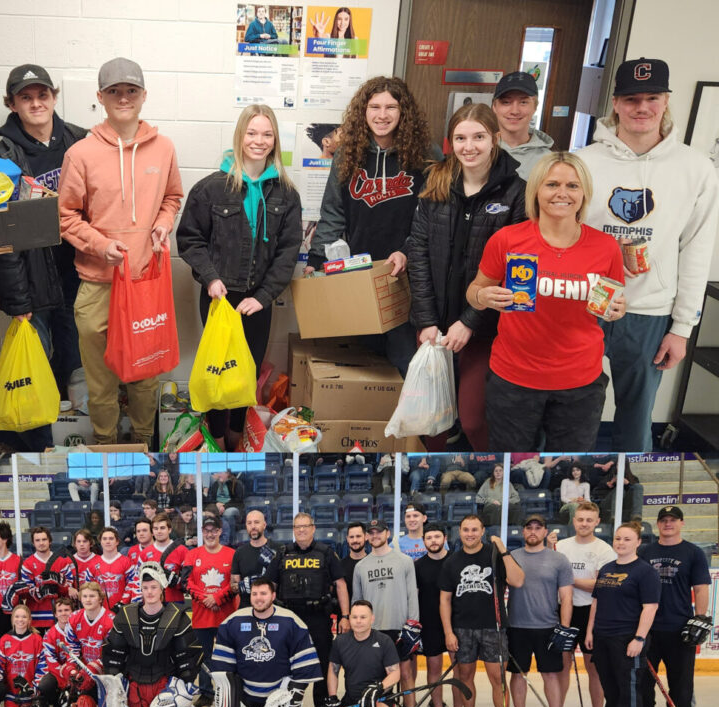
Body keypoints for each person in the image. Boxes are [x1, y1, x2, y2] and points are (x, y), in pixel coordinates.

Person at [579, 58, 719, 451]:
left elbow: (696, 249)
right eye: (631, 98)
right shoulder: (584, 162)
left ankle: (629, 495)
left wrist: (681, 329)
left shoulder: (696, 168)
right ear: (616, 103)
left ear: (666, 101)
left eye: (652, 97)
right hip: (585, 305)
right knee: (572, 410)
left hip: (649, 312)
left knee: (636, 418)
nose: (642, 107)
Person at [58, 57, 183, 445]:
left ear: (143, 96)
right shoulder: (80, 153)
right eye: (114, 91)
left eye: (131, 90)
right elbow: (65, 216)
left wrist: (163, 223)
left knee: (146, 376)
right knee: (101, 381)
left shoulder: (163, 149)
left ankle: (144, 443)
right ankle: (107, 444)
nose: (123, 97)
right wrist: (99, 244)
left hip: (145, 284)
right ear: (100, 97)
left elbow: (173, 197)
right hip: (98, 285)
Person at [467, 152, 627, 450]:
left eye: (573, 186)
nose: (562, 193)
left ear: (584, 193)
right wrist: (482, 296)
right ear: (536, 190)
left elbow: (614, 301)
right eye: (552, 184)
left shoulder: (606, 247)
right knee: (511, 471)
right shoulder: (507, 239)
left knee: (569, 472)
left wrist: (617, 309)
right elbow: (474, 294)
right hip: (514, 379)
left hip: (580, 384)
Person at [177, 104, 301, 448]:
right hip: (219, 297)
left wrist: (262, 297)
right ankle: (215, 437)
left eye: (267, 134)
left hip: (258, 301)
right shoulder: (211, 189)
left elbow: (288, 251)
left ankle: (236, 435)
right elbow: (190, 239)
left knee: (247, 373)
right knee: (220, 371)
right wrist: (210, 278)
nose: (258, 141)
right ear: (239, 136)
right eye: (251, 133)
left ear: (274, 140)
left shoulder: (286, 193)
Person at [406, 102, 527, 450]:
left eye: (478, 136)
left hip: (486, 329)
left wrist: (470, 322)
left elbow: (516, 271)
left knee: (474, 420)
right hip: (435, 325)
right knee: (430, 421)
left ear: (495, 138)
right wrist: (426, 321)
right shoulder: (436, 183)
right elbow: (419, 253)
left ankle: (493, 473)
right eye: (460, 137)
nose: (469, 146)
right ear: (450, 142)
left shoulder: (517, 193)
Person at [309, 76, 432, 375]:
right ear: (363, 111)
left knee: (405, 360)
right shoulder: (347, 154)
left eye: (391, 107)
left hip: (405, 274)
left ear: (404, 112)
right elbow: (333, 212)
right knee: (364, 360)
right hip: (358, 271)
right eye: (374, 106)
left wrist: (407, 251)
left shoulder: (424, 156)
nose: (382, 115)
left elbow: (430, 218)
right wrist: (315, 259)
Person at [0, 63, 87, 410]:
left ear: (54, 97)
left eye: (42, 95)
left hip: (79, 269)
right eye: (25, 97)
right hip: (33, 276)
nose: (36, 103)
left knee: (79, 360)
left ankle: (81, 433)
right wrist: (16, 298)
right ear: (12, 104)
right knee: (39, 360)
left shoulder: (84, 140)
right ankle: (44, 440)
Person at [439, 515, 525, 707]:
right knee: (465, 678)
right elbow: (445, 600)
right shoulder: (452, 562)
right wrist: (448, 632)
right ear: (460, 531)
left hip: (493, 627)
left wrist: (504, 550)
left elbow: (517, 581)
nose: (470, 534)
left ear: (483, 531)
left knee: (498, 679)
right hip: (462, 629)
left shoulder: (495, 555)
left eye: (474, 529)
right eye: (466, 529)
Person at [211, 578, 322, 707]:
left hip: (280, 692)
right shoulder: (233, 621)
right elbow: (223, 667)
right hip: (247, 690)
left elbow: (304, 666)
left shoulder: (290, 621)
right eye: (255, 594)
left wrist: (293, 696)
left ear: (273, 596)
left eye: (263, 593)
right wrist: (226, 705)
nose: (258, 598)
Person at [102, 563, 200, 707]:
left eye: (154, 587)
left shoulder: (177, 616)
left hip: (164, 682)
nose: (149, 592)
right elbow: (114, 652)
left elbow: (186, 657)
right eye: (145, 588)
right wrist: (114, 682)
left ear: (162, 588)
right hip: (135, 683)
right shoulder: (126, 614)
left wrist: (184, 688)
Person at [586, 521, 661, 707]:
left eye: (627, 539)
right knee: (610, 687)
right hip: (602, 636)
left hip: (627, 638)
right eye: (618, 538)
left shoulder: (645, 571)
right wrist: (590, 631)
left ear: (638, 542)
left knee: (628, 689)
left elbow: (650, 607)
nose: (621, 543)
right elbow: (596, 602)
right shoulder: (607, 568)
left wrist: (639, 639)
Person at [639, 506, 711, 707]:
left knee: (681, 684)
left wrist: (700, 618)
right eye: (663, 520)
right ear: (658, 524)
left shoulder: (693, 553)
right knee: (643, 681)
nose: (668, 524)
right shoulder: (644, 551)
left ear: (682, 523)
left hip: (680, 629)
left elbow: (700, 588)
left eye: (673, 520)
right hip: (647, 628)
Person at [265, 512, 350, 707]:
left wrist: (345, 616)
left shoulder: (326, 553)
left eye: (305, 526)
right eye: (297, 527)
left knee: (322, 664)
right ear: (293, 530)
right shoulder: (283, 553)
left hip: (319, 618)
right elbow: (270, 586)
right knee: (288, 665)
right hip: (289, 619)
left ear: (313, 528)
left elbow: (341, 585)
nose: (301, 530)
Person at [506, 515, 574, 707]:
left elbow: (566, 597)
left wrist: (563, 629)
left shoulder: (559, 560)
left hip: (548, 627)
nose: (533, 531)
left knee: (551, 675)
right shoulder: (512, 557)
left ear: (545, 532)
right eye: (529, 528)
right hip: (517, 626)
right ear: (523, 532)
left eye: (538, 528)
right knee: (518, 675)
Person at [352, 520, 422, 707]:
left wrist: (413, 625)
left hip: (399, 627)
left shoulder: (404, 561)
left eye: (378, 532)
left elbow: (412, 594)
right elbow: (357, 600)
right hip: (373, 629)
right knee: (377, 676)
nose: (374, 536)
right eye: (370, 533)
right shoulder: (361, 566)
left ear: (387, 533)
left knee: (405, 673)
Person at [556, 501, 616, 707]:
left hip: (592, 614)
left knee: (595, 669)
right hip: (563, 612)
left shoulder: (605, 550)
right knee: (561, 666)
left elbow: (601, 585)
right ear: (574, 521)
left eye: (589, 520)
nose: (584, 524)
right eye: (580, 519)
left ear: (597, 522)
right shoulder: (560, 546)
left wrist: (568, 579)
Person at [326, 600, 401, 707]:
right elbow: (333, 671)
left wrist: (379, 688)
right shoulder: (340, 642)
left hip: (379, 699)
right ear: (349, 618)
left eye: (363, 617)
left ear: (372, 618)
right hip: (353, 700)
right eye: (354, 617)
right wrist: (333, 697)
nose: (358, 621)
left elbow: (395, 673)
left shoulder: (384, 641)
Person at [413, 524, 461, 707]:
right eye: (429, 537)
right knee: (434, 668)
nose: (433, 540)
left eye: (437, 536)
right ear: (423, 541)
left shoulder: (456, 561)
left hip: (456, 622)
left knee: (458, 668)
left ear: (445, 538)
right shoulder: (418, 566)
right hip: (430, 624)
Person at [182, 517, 238, 691]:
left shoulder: (232, 554)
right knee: (203, 657)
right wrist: (206, 599)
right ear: (202, 531)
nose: (210, 534)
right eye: (206, 531)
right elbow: (185, 582)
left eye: (214, 530)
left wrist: (218, 598)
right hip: (201, 617)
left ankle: (229, 693)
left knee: (228, 657)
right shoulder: (192, 554)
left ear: (220, 531)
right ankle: (206, 693)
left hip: (226, 617)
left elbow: (235, 583)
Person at [64, 581, 116, 707]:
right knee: (80, 687)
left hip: (108, 665)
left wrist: (94, 667)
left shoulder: (110, 619)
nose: (88, 599)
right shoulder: (74, 618)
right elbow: (71, 647)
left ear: (100, 598)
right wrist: (72, 667)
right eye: (84, 596)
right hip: (86, 666)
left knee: (107, 681)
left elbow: (112, 652)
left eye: (92, 596)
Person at [0, 604, 46, 707]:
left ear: (29, 620)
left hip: (30, 690)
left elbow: (43, 666)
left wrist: (33, 689)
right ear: (12, 619)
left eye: (24, 617)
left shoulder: (37, 639)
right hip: (12, 691)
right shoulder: (5, 639)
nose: (20, 620)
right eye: (17, 616)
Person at [491, 71, 554, 179]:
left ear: (535, 107)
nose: (515, 111)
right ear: (494, 107)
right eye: (506, 102)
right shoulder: (479, 150)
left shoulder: (549, 161)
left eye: (523, 102)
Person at [19, 526, 75, 631]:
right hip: (36, 617)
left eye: (44, 539)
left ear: (50, 541)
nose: (41, 543)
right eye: (37, 540)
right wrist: (42, 590)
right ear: (33, 543)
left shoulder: (61, 562)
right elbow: (28, 591)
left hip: (59, 618)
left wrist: (59, 585)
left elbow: (69, 589)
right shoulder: (28, 564)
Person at [36, 596, 75, 707]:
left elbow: (78, 655)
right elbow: (50, 660)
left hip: (75, 671)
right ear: (55, 614)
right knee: (45, 685)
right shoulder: (49, 634)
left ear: (72, 612)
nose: (64, 613)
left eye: (67, 610)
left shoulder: (77, 630)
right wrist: (64, 681)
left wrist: (71, 676)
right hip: (58, 672)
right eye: (60, 610)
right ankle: (56, 702)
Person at [139, 512, 188, 604]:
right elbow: (138, 580)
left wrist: (177, 582)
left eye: (162, 528)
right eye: (155, 528)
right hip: (151, 603)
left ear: (169, 530)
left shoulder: (182, 550)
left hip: (175, 601)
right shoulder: (145, 553)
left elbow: (190, 580)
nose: (159, 531)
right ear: (152, 532)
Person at [230, 509, 277, 606]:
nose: (253, 527)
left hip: (272, 608)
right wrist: (246, 585)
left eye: (256, 522)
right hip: (246, 608)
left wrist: (261, 583)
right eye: (249, 523)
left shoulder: (277, 550)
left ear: (264, 525)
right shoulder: (239, 552)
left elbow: (282, 583)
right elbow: (234, 586)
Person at [88, 527, 139, 612]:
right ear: (100, 541)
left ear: (117, 542)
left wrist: (123, 603)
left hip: (122, 610)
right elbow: (88, 588)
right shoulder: (93, 564)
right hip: (99, 612)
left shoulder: (127, 562)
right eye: (104, 539)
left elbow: (133, 584)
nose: (108, 541)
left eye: (111, 538)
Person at [340, 522, 369, 588]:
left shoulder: (374, 564)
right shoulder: (340, 566)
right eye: (351, 537)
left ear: (366, 537)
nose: (355, 540)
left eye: (358, 536)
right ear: (347, 539)